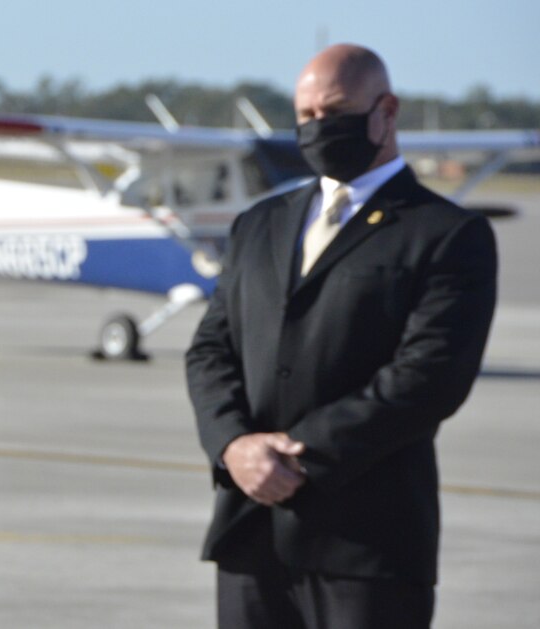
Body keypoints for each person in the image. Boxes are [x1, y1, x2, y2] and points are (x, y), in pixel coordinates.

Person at [185, 43, 497, 628]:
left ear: (387, 112)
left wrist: (298, 457)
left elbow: (430, 377)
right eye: (305, 115)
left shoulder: (447, 234)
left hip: (369, 546)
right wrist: (234, 447)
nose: (318, 127)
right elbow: (210, 350)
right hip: (250, 537)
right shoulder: (260, 225)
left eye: (334, 111)